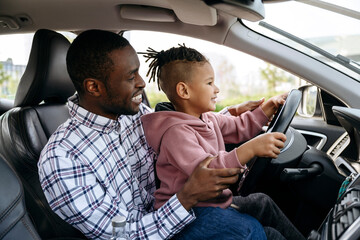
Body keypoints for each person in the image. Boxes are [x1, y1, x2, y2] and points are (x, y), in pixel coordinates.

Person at [38, 29, 260, 240]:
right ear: (94, 87)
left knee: (262, 207)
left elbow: (184, 127)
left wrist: (230, 113)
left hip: (175, 210)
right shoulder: (62, 158)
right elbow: (118, 234)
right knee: (248, 231)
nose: (142, 83)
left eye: (138, 72)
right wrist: (187, 196)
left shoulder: (134, 115)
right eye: (130, 77)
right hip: (154, 230)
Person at [140, 45, 305, 240]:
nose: (216, 89)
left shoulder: (208, 118)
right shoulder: (176, 133)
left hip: (212, 203)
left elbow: (239, 127)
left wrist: (267, 109)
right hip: (188, 215)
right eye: (209, 83)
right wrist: (251, 148)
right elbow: (208, 171)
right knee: (267, 235)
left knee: (263, 203)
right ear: (184, 90)